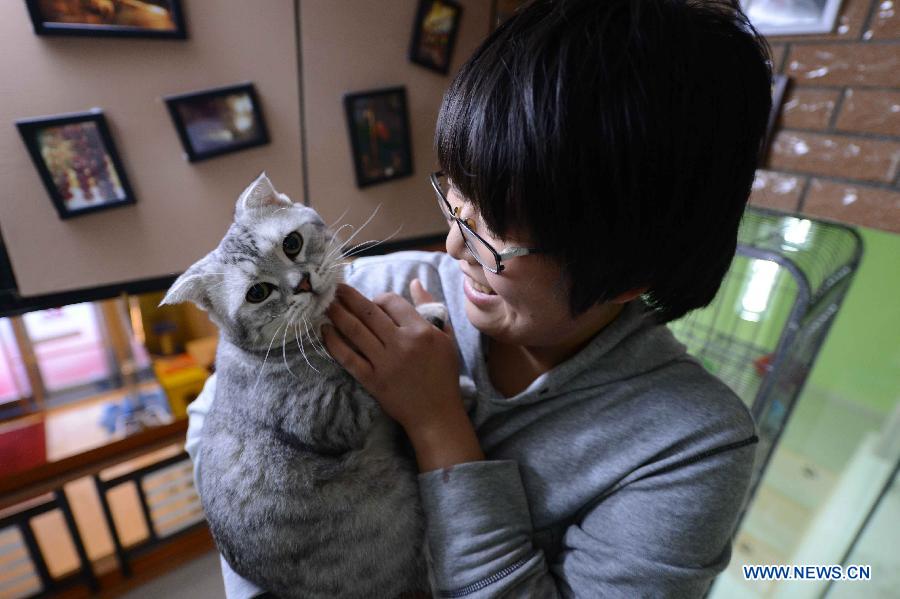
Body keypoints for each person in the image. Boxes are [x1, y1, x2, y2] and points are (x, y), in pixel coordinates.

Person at [186, 0, 773, 596]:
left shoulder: (692, 447)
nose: (452, 247)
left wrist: (436, 422)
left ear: (627, 275)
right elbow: (216, 424)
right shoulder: (383, 285)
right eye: (457, 198)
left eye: (494, 237)